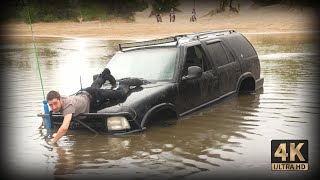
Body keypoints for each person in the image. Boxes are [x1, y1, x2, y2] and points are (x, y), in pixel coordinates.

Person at [47, 68, 143, 144]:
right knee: (93, 86)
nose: (54, 107)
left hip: (94, 96)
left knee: (120, 94)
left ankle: (124, 83)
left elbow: (64, 128)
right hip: (85, 93)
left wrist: (53, 141)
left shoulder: (68, 106)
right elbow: (55, 91)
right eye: (50, 105)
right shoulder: (61, 97)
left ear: (60, 99)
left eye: (55, 103)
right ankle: (104, 75)